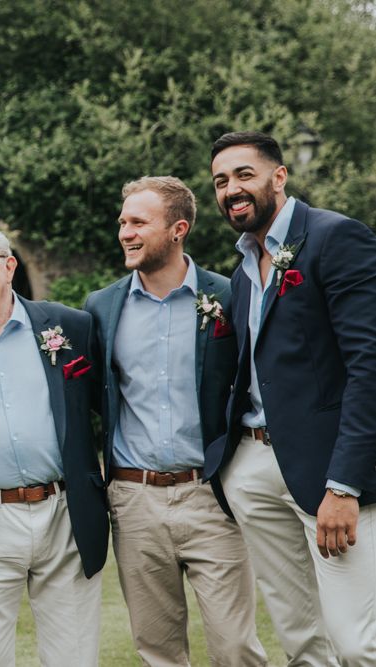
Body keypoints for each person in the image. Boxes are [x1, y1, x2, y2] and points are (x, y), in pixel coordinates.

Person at [206, 130, 376, 665]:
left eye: (243, 174)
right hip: (253, 469)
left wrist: (344, 483)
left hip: (329, 470)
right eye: (220, 181)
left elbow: (368, 366)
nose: (231, 188)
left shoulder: (335, 237)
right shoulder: (240, 273)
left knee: (357, 641)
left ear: (279, 177)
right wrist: (232, 469)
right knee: (303, 641)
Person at [85, 176, 266, 666]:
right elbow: (97, 398)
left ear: (178, 229)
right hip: (133, 499)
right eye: (123, 221)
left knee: (236, 649)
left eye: (138, 222)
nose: (125, 231)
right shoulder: (101, 308)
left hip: (211, 496)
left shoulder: (231, 297)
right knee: (157, 650)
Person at [0, 224, 109, 666]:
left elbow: (105, 407)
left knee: (73, 657)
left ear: (9, 266)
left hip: (64, 514)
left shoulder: (70, 326)